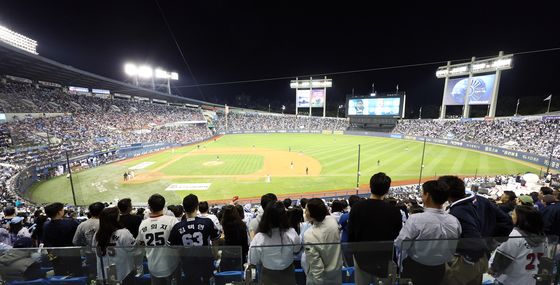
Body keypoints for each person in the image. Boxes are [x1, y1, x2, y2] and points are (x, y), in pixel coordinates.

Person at [394, 180, 461, 285]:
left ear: (427, 196)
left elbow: (400, 243)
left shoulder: (415, 219)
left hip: (416, 269)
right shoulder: (454, 221)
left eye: (423, 193)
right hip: (441, 269)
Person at [348, 172, 403, 284]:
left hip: (361, 258)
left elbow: (351, 234)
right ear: (387, 190)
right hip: (384, 259)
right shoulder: (394, 211)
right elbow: (397, 235)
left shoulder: (357, 207)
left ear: (370, 186)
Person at [439, 176, 487, 285]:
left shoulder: (457, 211)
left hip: (467, 261)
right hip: (479, 260)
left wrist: (467, 260)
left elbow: (476, 243)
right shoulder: (476, 203)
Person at [168, 194, 220, 285]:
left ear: (184, 208)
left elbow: (172, 248)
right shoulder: (207, 222)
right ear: (197, 207)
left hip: (187, 263)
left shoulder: (177, 227)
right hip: (205, 261)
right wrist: (215, 254)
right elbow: (215, 239)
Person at [488, 205, 547, 285]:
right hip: (531, 280)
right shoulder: (543, 237)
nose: (510, 216)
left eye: (513, 214)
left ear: (521, 219)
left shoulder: (514, 235)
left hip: (510, 281)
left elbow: (501, 261)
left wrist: (493, 271)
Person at [249, 201, 302, 285]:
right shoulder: (291, 233)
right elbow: (297, 249)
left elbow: (253, 260)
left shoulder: (259, 238)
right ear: (284, 216)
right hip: (285, 275)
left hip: (271, 275)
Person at [137, 194, 179, 285]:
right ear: (164, 206)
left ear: (149, 207)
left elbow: (140, 244)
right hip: (172, 265)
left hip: (153, 266)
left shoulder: (143, 224)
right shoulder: (172, 220)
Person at [93, 207, 138, 285]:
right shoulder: (124, 233)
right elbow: (133, 248)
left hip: (103, 274)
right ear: (116, 218)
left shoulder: (97, 234)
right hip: (123, 273)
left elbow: (94, 250)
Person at [303, 198, 343, 285]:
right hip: (336, 273)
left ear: (313, 213)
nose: (305, 213)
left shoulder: (309, 235)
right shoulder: (332, 220)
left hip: (321, 279)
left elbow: (316, 266)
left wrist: (318, 282)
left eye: (307, 210)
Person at [43, 202, 82, 276]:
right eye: (62, 209)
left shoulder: (45, 225)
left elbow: (46, 243)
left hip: (56, 257)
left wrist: (52, 257)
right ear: (59, 212)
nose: (63, 211)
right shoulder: (71, 222)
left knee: (60, 277)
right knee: (76, 276)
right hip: (72, 255)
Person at [73, 202, 105, 279]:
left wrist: (86, 245)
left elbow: (75, 241)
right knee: (105, 274)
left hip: (89, 253)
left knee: (92, 275)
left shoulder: (82, 224)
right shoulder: (106, 223)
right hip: (105, 254)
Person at [219, 205, 249, 271]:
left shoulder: (224, 224)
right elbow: (245, 241)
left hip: (228, 253)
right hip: (240, 253)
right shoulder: (242, 225)